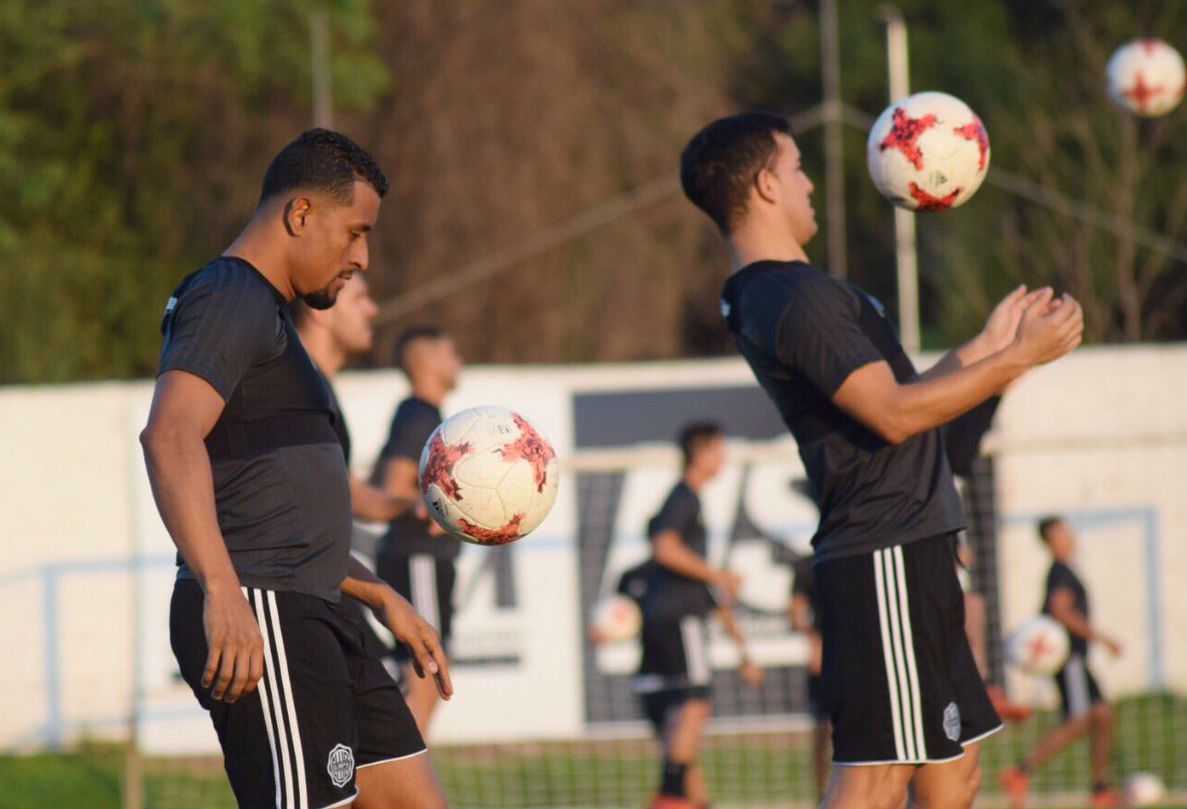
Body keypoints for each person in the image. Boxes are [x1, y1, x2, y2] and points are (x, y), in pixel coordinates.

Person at [681, 112, 1083, 809]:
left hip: (910, 546)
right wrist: (1020, 357)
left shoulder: (781, 290)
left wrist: (988, 349)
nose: (811, 183)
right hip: (882, 552)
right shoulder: (786, 294)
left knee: (952, 775)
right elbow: (893, 413)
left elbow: (902, 397)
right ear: (765, 184)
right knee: (873, 779)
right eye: (798, 166)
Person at [141, 128, 451, 809]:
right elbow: (168, 435)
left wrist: (377, 592)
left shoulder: (274, 325)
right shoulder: (228, 294)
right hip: (262, 606)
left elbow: (276, 507)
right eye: (355, 233)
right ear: (300, 214)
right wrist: (223, 591)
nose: (362, 257)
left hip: (323, 606)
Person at [636, 422, 763, 809]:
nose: (724, 458)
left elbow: (702, 585)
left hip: (665, 623)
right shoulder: (685, 497)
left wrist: (741, 647)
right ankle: (666, 798)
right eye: (720, 450)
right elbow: (664, 547)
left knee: (682, 739)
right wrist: (718, 574)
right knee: (693, 710)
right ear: (702, 453)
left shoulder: (686, 500)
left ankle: (687, 799)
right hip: (680, 623)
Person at [372, 326, 463, 735]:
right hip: (418, 558)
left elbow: (381, 475)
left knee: (425, 670)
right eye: (451, 351)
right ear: (427, 361)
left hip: (417, 560)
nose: (458, 360)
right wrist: (442, 509)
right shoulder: (420, 414)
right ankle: (403, 778)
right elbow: (392, 487)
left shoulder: (416, 413)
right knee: (428, 670)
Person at [999, 517, 1122, 809]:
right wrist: (1101, 637)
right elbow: (1061, 611)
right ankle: (1020, 772)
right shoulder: (1061, 573)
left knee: (1103, 714)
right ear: (1052, 538)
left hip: (1075, 659)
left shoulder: (1063, 571)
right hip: (1069, 660)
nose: (1070, 536)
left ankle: (1101, 790)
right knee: (1079, 720)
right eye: (1063, 532)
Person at [788, 555, 830, 802]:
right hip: (827, 656)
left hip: (862, 654)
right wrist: (812, 641)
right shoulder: (808, 565)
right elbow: (795, 609)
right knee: (822, 731)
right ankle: (821, 795)